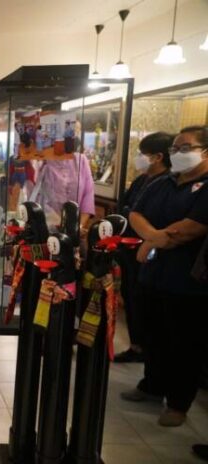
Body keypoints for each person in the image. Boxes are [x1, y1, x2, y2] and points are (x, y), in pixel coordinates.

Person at [121, 126, 208, 427]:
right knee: (153, 334)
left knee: (183, 343)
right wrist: (154, 237)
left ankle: (178, 403)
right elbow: (135, 214)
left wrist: (151, 241)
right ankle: (152, 385)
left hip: (188, 282)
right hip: (152, 274)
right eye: (174, 148)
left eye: (186, 148)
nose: (178, 154)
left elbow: (192, 227)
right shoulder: (163, 182)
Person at [114, 132, 173, 363]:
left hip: (151, 252)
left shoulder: (169, 184)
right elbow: (126, 208)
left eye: (142, 154)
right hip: (128, 248)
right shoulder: (142, 180)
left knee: (145, 301)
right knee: (131, 297)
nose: (138, 158)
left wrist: (149, 236)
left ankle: (148, 349)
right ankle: (136, 344)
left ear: (158, 157)